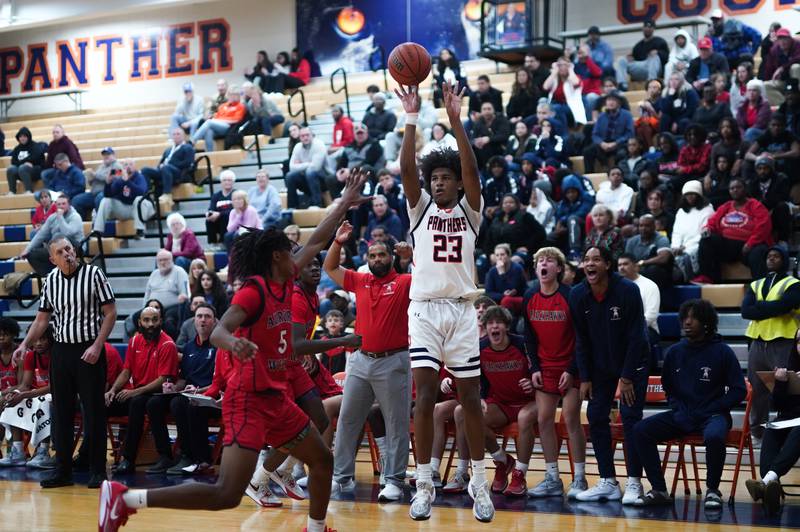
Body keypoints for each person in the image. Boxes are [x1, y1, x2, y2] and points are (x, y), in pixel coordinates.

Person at [100, 170, 370, 532]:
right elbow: (219, 332)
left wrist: (345, 201)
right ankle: (125, 498)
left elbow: (318, 239)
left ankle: (316, 529)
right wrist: (234, 343)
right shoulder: (254, 291)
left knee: (322, 460)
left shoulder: (285, 279)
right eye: (290, 252)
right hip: (246, 399)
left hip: (274, 397)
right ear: (277, 257)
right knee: (226, 494)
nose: (298, 255)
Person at [394, 81, 495, 522]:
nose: (437, 183)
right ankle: (422, 482)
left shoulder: (471, 211)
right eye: (433, 178)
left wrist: (456, 120)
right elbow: (405, 172)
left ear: (456, 183)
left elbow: (473, 170)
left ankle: (478, 479)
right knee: (425, 395)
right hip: (426, 310)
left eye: (444, 177)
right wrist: (411, 120)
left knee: (470, 396)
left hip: (461, 309)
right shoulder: (420, 212)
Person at [13, 236, 116, 489]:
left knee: (93, 411)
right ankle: (63, 471)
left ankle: (97, 470)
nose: (67, 253)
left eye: (69, 248)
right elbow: (41, 320)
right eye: (61, 251)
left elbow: (111, 313)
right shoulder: (50, 282)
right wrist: (24, 344)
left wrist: (97, 345)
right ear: (53, 259)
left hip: (88, 349)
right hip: (61, 352)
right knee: (61, 412)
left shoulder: (94, 274)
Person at [323, 224, 413, 501]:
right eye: (372, 256)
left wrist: (412, 256)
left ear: (391, 257)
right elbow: (330, 268)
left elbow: (430, 276)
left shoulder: (405, 282)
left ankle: (395, 480)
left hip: (394, 360)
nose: (376, 260)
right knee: (348, 419)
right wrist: (337, 242)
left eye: (381, 255)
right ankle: (342, 477)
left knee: (396, 423)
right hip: (360, 361)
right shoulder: (360, 281)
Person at [633, 299, 745, 508]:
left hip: (713, 414)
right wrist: (676, 407)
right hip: (682, 414)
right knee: (640, 430)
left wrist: (716, 406)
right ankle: (659, 489)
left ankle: (712, 490)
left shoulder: (722, 351)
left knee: (714, 435)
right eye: (685, 317)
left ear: (706, 322)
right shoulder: (674, 352)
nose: (687, 321)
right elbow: (668, 386)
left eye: (693, 317)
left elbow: (739, 390)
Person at [569, 245, 649, 505]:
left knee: (630, 418)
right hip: (600, 366)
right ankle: (608, 481)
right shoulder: (578, 294)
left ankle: (635, 482)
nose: (589, 264)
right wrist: (585, 377)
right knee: (594, 415)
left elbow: (637, 336)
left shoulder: (627, 290)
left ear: (607, 265)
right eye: (586, 259)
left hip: (633, 361)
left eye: (596, 260)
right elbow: (581, 339)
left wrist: (626, 378)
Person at [522, 247, 587, 498]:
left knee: (570, 418)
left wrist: (572, 369)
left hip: (571, 366)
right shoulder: (529, 296)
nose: (544, 264)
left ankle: (579, 478)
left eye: (549, 260)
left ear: (559, 268)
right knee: (544, 420)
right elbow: (528, 336)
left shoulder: (571, 296)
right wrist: (534, 368)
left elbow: (583, 337)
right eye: (540, 261)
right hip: (544, 367)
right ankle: (552, 478)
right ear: (536, 268)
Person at [454, 305, 535, 497]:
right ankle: (502, 460)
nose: (494, 326)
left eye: (498, 322)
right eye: (490, 323)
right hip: (501, 404)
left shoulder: (522, 344)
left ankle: (519, 474)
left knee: (524, 418)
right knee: (467, 416)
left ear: (507, 326)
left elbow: (538, 366)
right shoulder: (480, 347)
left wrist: (532, 380)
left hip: (529, 401)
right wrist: (481, 397)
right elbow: (476, 377)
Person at [144, 304, 218, 474]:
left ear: (214, 322)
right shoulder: (190, 347)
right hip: (189, 393)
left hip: (211, 396)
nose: (203, 320)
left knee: (180, 404)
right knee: (154, 403)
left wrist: (198, 391)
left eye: (207, 316)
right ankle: (165, 456)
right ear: (194, 321)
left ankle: (189, 455)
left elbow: (221, 382)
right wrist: (172, 387)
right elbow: (183, 380)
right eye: (199, 316)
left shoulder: (219, 346)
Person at [105, 307, 179, 474]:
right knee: (103, 403)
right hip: (138, 393)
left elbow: (163, 380)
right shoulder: (134, 341)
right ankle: (91, 454)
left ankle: (131, 459)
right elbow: (126, 371)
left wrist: (134, 392)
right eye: (146, 320)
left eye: (154, 320)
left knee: (139, 403)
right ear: (139, 322)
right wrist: (113, 390)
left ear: (161, 321)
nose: (151, 324)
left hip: (160, 394)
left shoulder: (168, 344)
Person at [741, 245, 800, 443]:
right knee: (757, 389)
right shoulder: (756, 284)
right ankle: (758, 433)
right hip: (758, 342)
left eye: (776, 256)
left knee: (786, 387)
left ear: (784, 260)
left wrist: (761, 307)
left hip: (784, 341)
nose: (771, 259)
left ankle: (786, 433)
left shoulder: (794, 283)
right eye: (769, 256)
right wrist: (773, 309)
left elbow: (784, 306)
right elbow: (746, 312)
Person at [746, 327, 800, 515]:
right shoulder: (792, 364)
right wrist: (781, 383)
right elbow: (778, 406)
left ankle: (765, 483)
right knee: (771, 430)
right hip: (790, 418)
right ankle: (770, 487)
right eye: (799, 341)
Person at [693, 179, 772, 285]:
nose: (735, 190)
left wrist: (750, 243)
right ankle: (708, 278)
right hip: (728, 245)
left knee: (759, 251)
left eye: (738, 187)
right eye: (732, 188)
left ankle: (761, 286)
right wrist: (708, 228)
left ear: (745, 189)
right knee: (706, 241)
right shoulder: (726, 206)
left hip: (749, 245)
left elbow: (763, 227)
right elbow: (712, 222)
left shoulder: (755, 205)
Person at [0, 324, 55, 468]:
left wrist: (25, 394)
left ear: (51, 339)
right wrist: (16, 394)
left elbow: (54, 387)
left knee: (44, 403)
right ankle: (17, 452)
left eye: (42, 339)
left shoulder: (57, 355)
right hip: (34, 395)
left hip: (56, 395)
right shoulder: (31, 355)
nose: (38, 343)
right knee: (12, 399)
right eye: (35, 340)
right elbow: (24, 384)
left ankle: (43, 451)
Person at [19, 195, 83, 277]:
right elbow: (41, 235)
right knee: (32, 255)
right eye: (59, 204)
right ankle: (50, 276)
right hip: (57, 249)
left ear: (69, 205)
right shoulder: (52, 217)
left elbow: (67, 233)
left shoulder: (75, 216)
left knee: (59, 236)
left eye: (63, 204)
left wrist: (60, 217)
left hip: (75, 248)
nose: (61, 206)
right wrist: (27, 249)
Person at [617, 253, 661, 368]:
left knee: (634, 339)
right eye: (619, 265)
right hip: (621, 329)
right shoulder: (614, 286)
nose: (621, 267)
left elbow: (651, 315)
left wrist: (630, 329)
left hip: (647, 329)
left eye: (625, 264)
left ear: (636, 266)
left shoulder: (649, 285)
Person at [92, 158, 153, 239]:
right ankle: (97, 231)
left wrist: (127, 181)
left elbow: (141, 192)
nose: (128, 166)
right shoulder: (119, 180)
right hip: (126, 209)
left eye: (130, 164)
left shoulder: (140, 177)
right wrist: (108, 183)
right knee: (105, 201)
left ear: (135, 167)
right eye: (125, 165)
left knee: (139, 199)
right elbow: (108, 195)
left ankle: (140, 231)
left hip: (143, 209)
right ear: (122, 168)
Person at [671, 180, 715, 282]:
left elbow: (704, 232)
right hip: (680, 247)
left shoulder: (708, 209)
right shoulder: (681, 212)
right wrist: (675, 246)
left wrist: (685, 247)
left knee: (687, 258)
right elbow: (676, 232)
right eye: (687, 195)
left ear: (699, 195)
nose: (690, 197)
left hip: (697, 245)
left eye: (693, 194)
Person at [583, 92, 633, 173]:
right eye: (609, 100)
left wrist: (616, 143)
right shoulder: (601, 116)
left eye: (613, 100)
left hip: (619, 143)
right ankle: (589, 173)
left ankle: (619, 173)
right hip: (603, 144)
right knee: (588, 151)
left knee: (622, 153)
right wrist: (602, 143)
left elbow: (629, 133)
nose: (611, 102)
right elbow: (595, 134)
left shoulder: (627, 115)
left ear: (619, 103)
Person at [144, 250, 190, 338]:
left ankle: (174, 344)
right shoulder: (154, 274)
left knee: (168, 322)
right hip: (152, 306)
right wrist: (144, 309)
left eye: (165, 260)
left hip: (172, 308)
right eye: (160, 260)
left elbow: (185, 294)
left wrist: (183, 296)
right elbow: (147, 294)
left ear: (172, 260)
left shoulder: (179, 271)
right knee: (133, 319)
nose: (162, 262)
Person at [141, 128, 196, 200]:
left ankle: (167, 193)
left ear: (183, 136)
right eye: (174, 134)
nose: (176, 136)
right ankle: (147, 194)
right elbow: (161, 163)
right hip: (164, 170)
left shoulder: (188, 148)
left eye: (178, 134)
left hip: (178, 172)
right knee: (145, 170)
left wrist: (170, 165)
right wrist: (160, 166)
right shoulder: (168, 150)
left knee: (166, 167)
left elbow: (188, 163)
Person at [615, 20, 669, 91]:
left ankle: (651, 83)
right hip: (640, 68)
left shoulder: (660, 41)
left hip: (653, 69)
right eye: (645, 27)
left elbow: (667, 57)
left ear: (653, 29)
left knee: (654, 58)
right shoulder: (638, 45)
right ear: (643, 28)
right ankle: (622, 85)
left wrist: (658, 52)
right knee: (621, 60)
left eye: (650, 27)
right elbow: (634, 58)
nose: (647, 29)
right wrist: (631, 57)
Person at [748, 157, 791, 244]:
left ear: (771, 169)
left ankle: (783, 241)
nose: (762, 171)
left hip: (775, 209)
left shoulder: (781, 179)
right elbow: (751, 198)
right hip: (759, 211)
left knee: (783, 207)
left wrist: (763, 204)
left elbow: (781, 197)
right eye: (759, 168)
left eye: (765, 168)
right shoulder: (752, 181)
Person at [551, 174, 595, 261]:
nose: (570, 195)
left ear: (578, 190)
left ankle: (575, 251)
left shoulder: (586, 197)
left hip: (583, 224)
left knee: (573, 219)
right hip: (567, 227)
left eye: (573, 192)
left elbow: (582, 213)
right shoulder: (563, 203)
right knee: (550, 236)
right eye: (568, 192)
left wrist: (563, 219)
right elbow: (558, 215)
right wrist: (558, 224)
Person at [625, 215, 673, 291]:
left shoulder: (662, 239)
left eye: (647, 226)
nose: (643, 228)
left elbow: (664, 258)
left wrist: (643, 263)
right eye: (641, 225)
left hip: (655, 275)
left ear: (654, 226)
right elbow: (626, 260)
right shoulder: (632, 241)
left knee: (654, 270)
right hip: (636, 271)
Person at [191, 86, 247, 151]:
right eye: (231, 94)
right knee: (209, 131)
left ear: (238, 96)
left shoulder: (240, 106)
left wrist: (218, 120)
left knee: (209, 122)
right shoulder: (223, 106)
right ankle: (210, 154)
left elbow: (236, 120)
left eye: (235, 94)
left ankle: (192, 141)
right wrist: (214, 118)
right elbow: (216, 117)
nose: (233, 96)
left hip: (230, 128)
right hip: (219, 126)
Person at [286, 128, 328, 208]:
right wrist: (309, 163)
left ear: (312, 136)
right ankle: (292, 207)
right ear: (299, 137)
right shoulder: (297, 147)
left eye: (307, 135)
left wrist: (301, 165)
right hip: (308, 178)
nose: (305, 138)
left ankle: (318, 204)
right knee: (290, 176)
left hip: (324, 179)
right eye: (302, 136)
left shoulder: (319, 144)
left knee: (310, 172)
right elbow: (291, 167)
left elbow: (316, 167)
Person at [74, 147, 122, 216]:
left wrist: (95, 174)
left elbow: (113, 179)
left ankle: (100, 221)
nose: (106, 156)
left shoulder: (118, 166)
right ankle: (82, 222)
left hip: (107, 193)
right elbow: (94, 180)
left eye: (108, 154)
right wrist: (90, 179)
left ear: (113, 155)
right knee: (77, 200)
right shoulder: (101, 166)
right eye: (104, 155)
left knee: (99, 199)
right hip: (94, 193)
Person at [543, 56, 585, 127]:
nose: (562, 67)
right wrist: (554, 72)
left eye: (565, 65)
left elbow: (576, 83)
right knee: (542, 102)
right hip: (553, 104)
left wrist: (571, 70)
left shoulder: (574, 77)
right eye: (560, 65)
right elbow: (545, 87)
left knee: (556, 108)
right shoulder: (554, 78)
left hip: (569, 107)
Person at [483, 243, 527, 312]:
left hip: (516, 299)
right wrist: (502, 295)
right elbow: (488, 292)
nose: (500, 257)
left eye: (502, 254)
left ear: (509, 256)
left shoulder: (517, 268)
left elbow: (511, 290)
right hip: (500, 300)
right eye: (497, 255)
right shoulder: (492, 271)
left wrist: (502, 274)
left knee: (507, 300)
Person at [762, 28, 800, 106]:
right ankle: (785, 106)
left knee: (795, 67)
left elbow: (798, 58)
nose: (782, 41)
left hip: (797, 80)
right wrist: (768, 79)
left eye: (785, 38)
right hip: (784, 81)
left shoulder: (797, 44)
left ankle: (797, 95)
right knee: (765, 85)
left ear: (790, 38)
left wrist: (782, 67)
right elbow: (769, 68)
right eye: (780, 39)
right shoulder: (774, 50)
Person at [470, 101, 512, 170]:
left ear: (493, 110)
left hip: (499, 147)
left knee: (487, 146)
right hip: (482, 151)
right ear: (481, 111)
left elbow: (504, 135)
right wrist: (476, 142)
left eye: (489, 109)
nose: (487, 111)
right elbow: (472, 138)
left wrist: (489, 139)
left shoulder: (502, 119)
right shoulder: (478, 122)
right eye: (484, 109)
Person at [7, 127, 45, 194]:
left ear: (28, 137)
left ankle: (29, 190)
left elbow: (36, 158)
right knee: (11, 169)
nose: (22, 138)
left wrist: (26, 163)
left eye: (24, 136)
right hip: (21, 171)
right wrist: (25, 162)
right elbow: (13, 161)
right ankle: (12, 191)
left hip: (35, 170)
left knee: (22, 168)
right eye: (20, 136)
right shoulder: (17, 148)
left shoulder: (35, 146)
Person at [659, 71, 699, 135]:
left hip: (686, 118)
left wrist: (676, 122)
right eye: (671, 79)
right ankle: (663, 139)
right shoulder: (666, 92)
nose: (673, 82)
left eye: (676, 79)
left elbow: (691, 110)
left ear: (682, 81)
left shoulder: (689, 92)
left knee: (684, 122)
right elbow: (664, 110)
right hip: (672, 119)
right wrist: (670, 96)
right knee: (664, 117)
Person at [205, 169, 237, 249]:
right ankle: (213, 243)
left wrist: (220, 214)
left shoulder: (236, 194)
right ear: (221, 182)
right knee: (209, 220)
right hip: (218, 220)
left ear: (233, 182)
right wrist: (209, 214)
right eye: (224, 180)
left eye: (229, 180)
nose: (227, 182)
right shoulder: (216, 196)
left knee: (224, 216)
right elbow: (211, 208)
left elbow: (235, 210)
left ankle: (224, 242)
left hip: (233, 219)